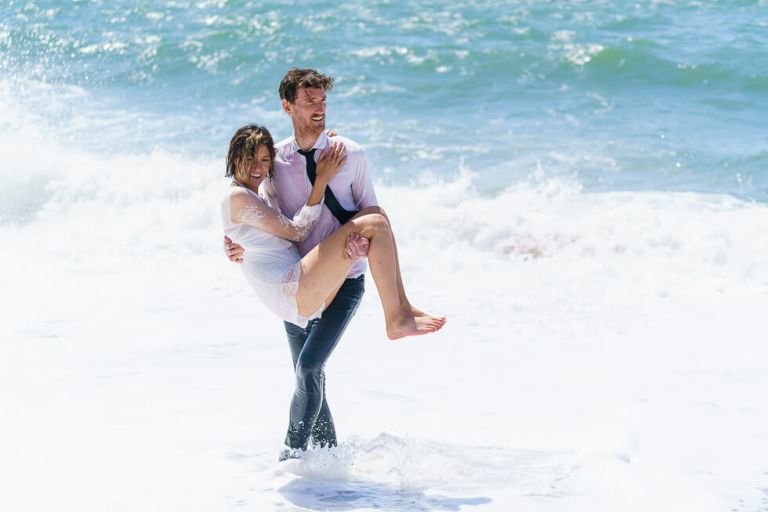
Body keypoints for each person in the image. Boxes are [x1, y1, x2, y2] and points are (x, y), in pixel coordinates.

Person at [223, 69, 445, 459]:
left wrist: (361, 240)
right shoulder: (275, 163)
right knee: (308, 374)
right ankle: (328, 468)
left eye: (323, 100)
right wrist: (237, 244)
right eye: (309, 101)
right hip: (300, 277)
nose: (319, 108)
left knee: (309, 368)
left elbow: (374, 212)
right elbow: (266, 217)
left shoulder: (351, 153)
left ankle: (290, 463)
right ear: (287, 106)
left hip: (345, 279)